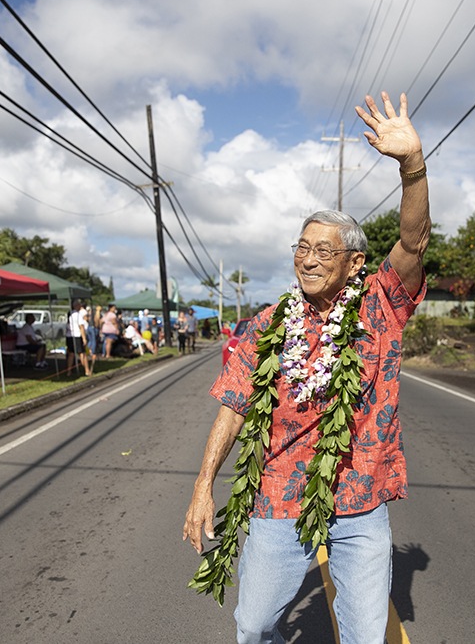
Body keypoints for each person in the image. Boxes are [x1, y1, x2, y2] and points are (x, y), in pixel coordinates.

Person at [183, 92, 430, 643]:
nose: (309, 258)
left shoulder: (380, 305)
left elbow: (413, 240)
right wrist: (203, 487)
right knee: (253, 628)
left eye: (324, 250)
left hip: (361, 501)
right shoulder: (267, 324)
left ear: (355, 262)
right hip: (276, 498)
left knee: (366, 637)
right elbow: (232, 406)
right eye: (302, 247)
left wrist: (412, 167)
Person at [65, 300, 90, 377]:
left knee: (71, 354)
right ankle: (86, 370)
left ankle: (69, 371)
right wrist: (84, 338)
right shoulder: (77, 315)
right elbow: (81, 327)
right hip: (77, 335)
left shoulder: (69, 314)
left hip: (69, 336)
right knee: (82, 353)